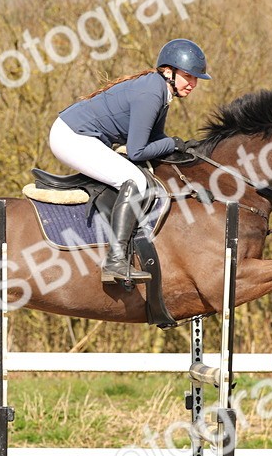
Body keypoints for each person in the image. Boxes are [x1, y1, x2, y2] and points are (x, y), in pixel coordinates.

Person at [49, 38, 210, 283]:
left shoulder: (160, 90)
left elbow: (156, 138)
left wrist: (183, 151)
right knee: (134, 178)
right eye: (189, 76)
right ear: (169, 71)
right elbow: (136, 151)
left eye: (196, 78)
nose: (194, 84)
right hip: (72, 136)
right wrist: (174, 143)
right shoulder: (151, 93)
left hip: (81, 134)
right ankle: (115, 261)